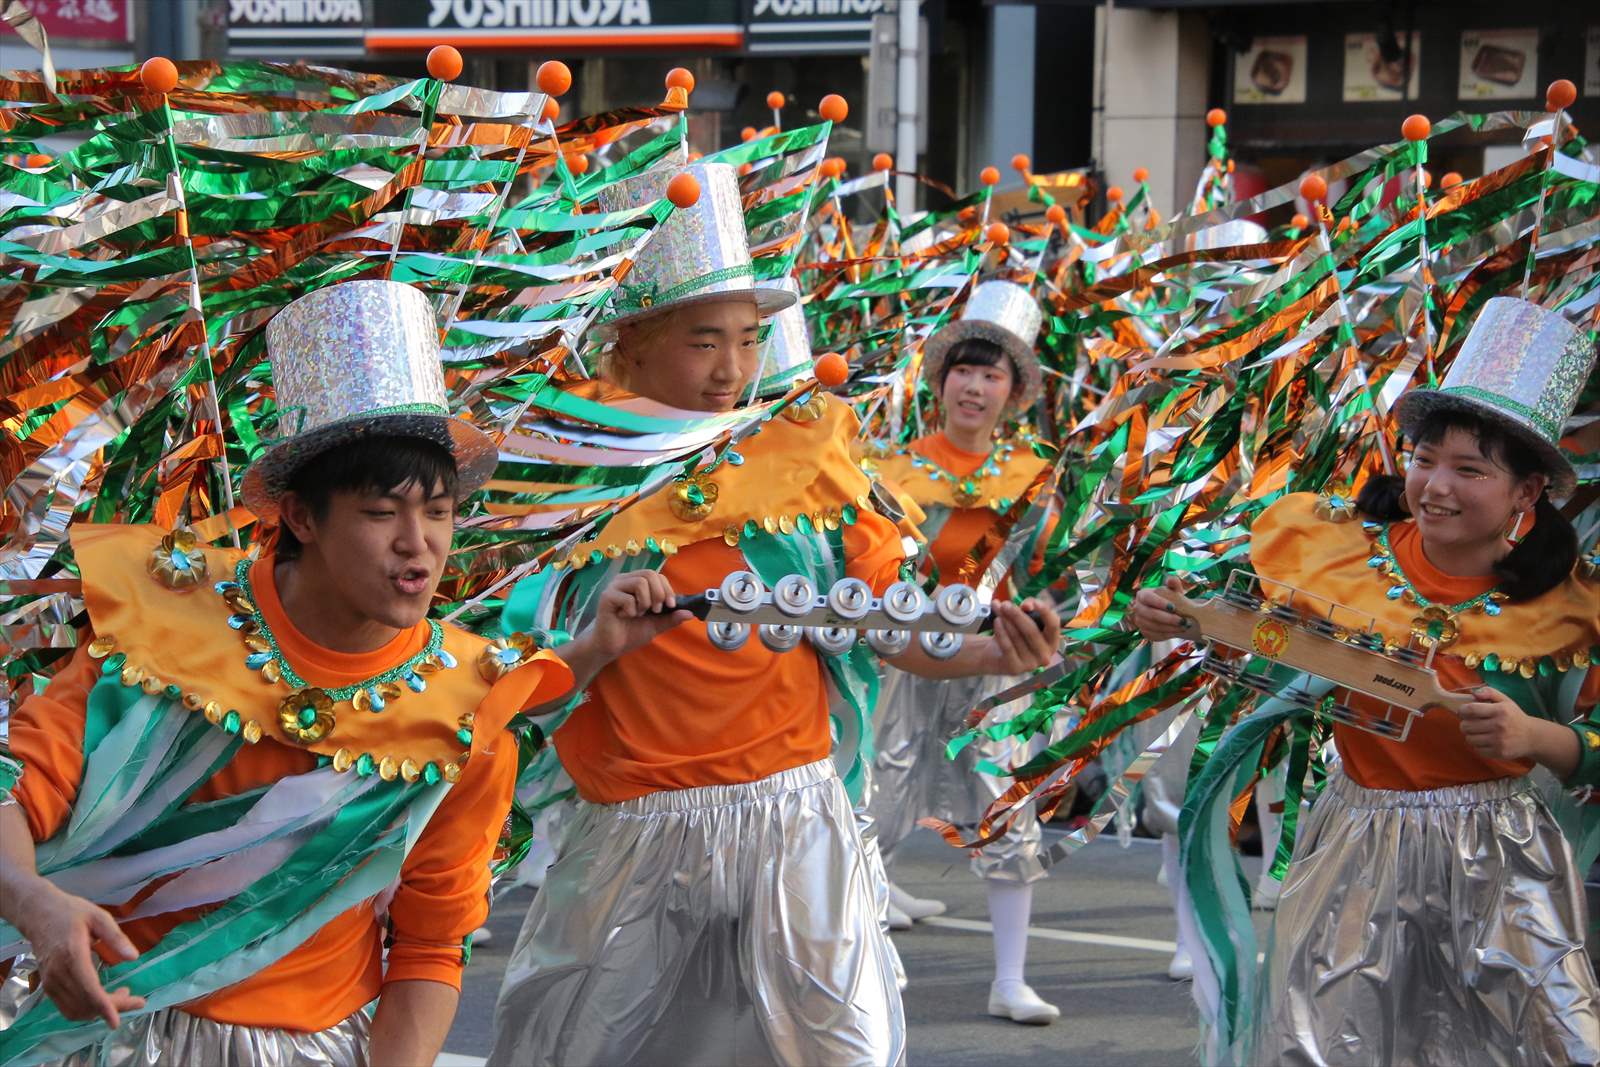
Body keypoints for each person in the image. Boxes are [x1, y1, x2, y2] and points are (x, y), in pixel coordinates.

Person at [489, 162, 1062, 1067]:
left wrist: (997, 652)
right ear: (631, 343)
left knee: (849, 1053)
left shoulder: (803, 455)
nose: (733, 370)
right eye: (703, 341)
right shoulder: (568, 476)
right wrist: (596, 644)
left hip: (798, 819)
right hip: (637, 828)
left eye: (750, 340)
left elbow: (882, 623)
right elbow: (509, 680)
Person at [0, 280, 596, 1066]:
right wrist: (36, 903)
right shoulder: (162, 625)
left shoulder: (466, 703)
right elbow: (17, 789)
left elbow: (429, 943)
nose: (418, 543)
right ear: (303, 517)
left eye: (439, 512)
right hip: (110, 1036)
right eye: (381, 512)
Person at [1130, 296, 1600, 1065]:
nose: (1436, 485)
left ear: (1525, 493)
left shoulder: (1570, 605)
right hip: (1357, 840)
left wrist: (1537, 736)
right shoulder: (1341, 551)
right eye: (1425, 459)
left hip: (1503, 857)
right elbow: (1248, 625)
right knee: (1328, 1046)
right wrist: (1172, 614)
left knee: (1555, 1046)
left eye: (1470, 469)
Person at [864, 280, 1067, 1025]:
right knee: (875, 801)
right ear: (941, 382)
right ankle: (864, 959)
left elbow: (1051, 577)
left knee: (1006, 809)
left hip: (992, 664)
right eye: (963, 371)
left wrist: (1043, 623)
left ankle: (1010, 979)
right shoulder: (893, 471)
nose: (974, 388)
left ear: (1013, 393)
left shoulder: (1033, 479)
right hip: (904, 659)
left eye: (991, 375)